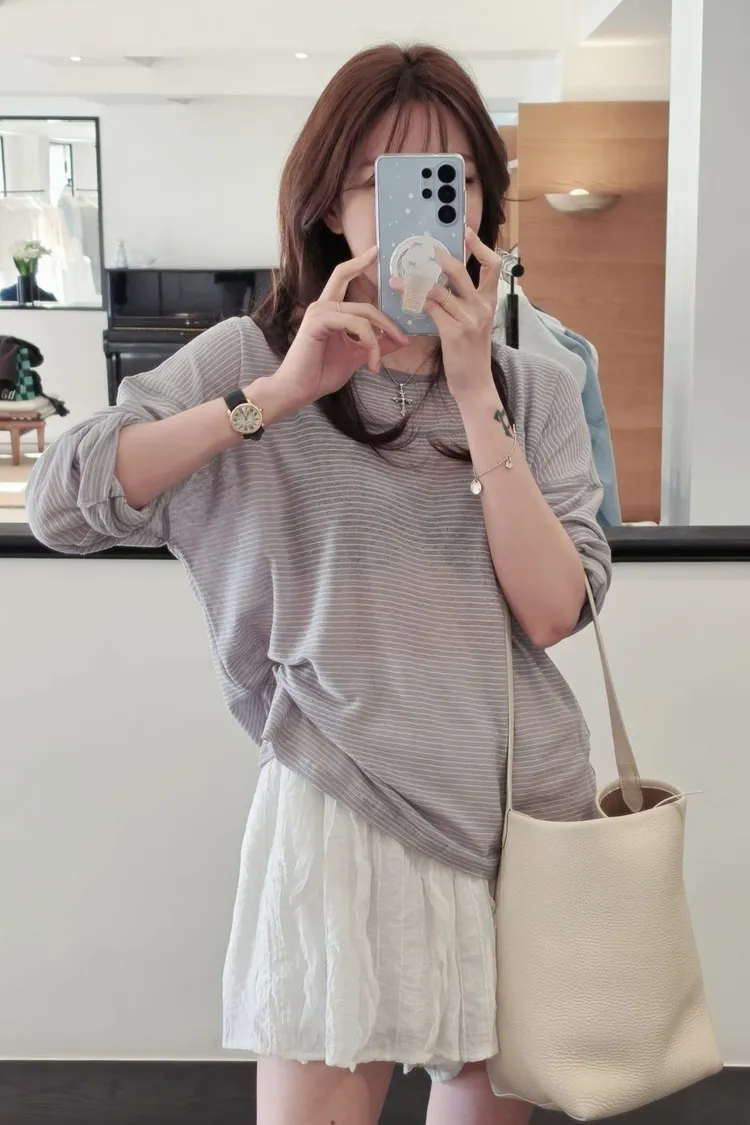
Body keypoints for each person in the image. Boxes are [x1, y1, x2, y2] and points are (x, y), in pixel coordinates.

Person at [26, 43, 611, 1125]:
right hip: (339, 808)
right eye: (381, 181)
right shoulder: (251, 359)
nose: (416, 212)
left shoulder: (536, 386)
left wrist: (475, 390)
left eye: (446, 180)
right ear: (329, 208)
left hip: (516, 820)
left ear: (483, 203)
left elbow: (552, 610)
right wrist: (277, 396)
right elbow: (63, 504)